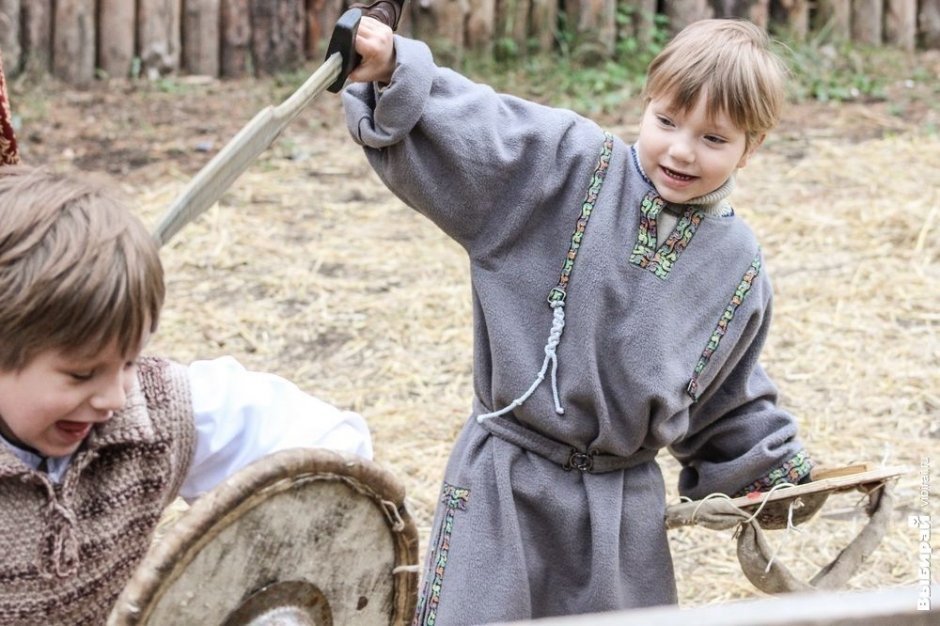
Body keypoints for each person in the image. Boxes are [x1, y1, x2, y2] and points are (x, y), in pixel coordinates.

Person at [344, 17, 815, 624]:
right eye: (666, 121)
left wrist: (766, 468)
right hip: (506, 484)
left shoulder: (737, 265)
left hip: (621, 511)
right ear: (646, 105)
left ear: (751, 147)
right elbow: (487, 130)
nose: (680, 149)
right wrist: (395, 69)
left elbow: (723, 391)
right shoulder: (567, 168)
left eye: (713, 138)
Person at [0, 165, 372, 624]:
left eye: (130, 362)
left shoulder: (153, 413)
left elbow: (323, 448)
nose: (114, 397)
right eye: (80, 374)